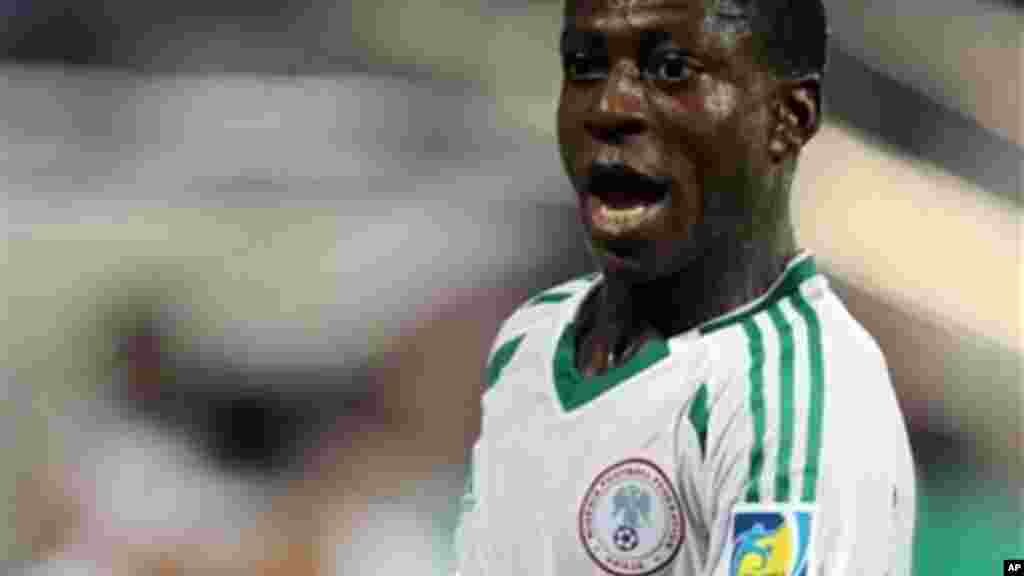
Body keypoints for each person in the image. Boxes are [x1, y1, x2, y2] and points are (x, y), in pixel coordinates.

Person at [454, 0, 916, 574]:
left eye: (671, 69)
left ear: (789, 118)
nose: (608, 107)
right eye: (584, 65)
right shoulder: (529, 340)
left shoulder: (795, 396)